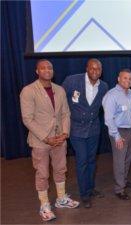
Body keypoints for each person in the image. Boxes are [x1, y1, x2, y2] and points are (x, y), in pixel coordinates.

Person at [20, 59, 79, 222]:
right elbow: (27, 119)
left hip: (59, 139)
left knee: (61, 169)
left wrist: (65, 133)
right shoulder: (29, 91)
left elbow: (66, 113)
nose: (47, 70)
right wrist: (46, 138)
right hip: (41, 141)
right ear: (37, 71)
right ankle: (44, 205)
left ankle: (61, 199)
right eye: (43, 68)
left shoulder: (59, 90)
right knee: (42, 173)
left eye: (50, 67)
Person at [62, 58, 108, 208]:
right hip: (76, 129)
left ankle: (90, 187)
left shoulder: (104, 87)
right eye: (92, 68)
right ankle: (85, 194)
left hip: (94, 129)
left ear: (101, 71)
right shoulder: (72, 81)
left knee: (92, 161)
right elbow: (61, 100)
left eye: (98, 69)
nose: (95, 71)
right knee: (82, 161)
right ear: (86, 68)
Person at [102, 69, 131, 200]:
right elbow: (108, 118)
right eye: (125, 78)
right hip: (118, 131)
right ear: (118, 79)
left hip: (129, 131)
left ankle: (124, 181)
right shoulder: (111, 95)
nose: (128, 81)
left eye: (130, 79)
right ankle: (119, 189)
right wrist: (116, 136)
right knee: (119, 162)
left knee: (127, 159)